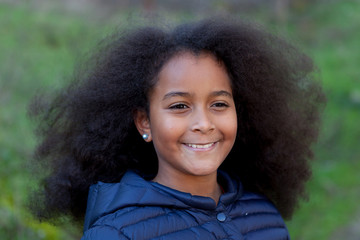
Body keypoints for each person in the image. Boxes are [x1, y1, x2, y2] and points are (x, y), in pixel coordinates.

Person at [29, 17, 325, 239]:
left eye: (219, 104)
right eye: (179, 106)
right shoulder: (117, 233)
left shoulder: (265, 217)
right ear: (144, 122)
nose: (203, 124)